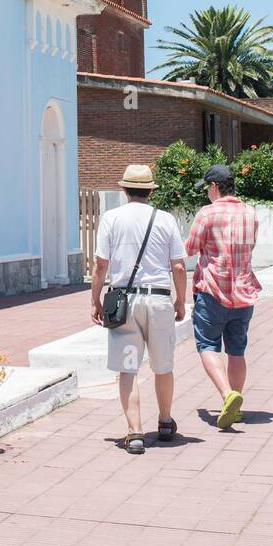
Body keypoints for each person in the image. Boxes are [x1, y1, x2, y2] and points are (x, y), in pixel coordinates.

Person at [91, 164, 187, 455]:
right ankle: (166, 421)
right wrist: (180, 301)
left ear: (124, 189)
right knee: (163, 365)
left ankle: (134, 433)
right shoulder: (166, 219)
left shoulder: (111, 218)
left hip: (125, 302)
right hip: (158, 301)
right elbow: (179, 266)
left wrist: (95, 299)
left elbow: (100, 265)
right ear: (150, 190)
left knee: (128, 368)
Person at [185, 163, 261, 429]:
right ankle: (237, 405)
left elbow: (191, 248)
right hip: (243, 293)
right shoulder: (250, 213)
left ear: (215, 187)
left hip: (212, 292)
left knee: (207, 346)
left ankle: (227, 395)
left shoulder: (207, 214)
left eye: (207, 187)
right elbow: (250, 246)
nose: (207, 192)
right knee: (237, 350)